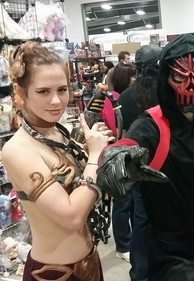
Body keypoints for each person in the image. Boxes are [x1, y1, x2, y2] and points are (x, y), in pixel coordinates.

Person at [97, 34, 194, 281]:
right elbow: (131, 141)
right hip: (167, 249)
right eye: (180, 77)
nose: (191, 86)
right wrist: (115, 157)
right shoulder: (153, 124)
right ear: (166, 77)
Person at [1, 42, 114, 280]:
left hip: (90, 262)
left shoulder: (58, 133)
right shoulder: (17, 149)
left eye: (62, 90)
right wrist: (94, 156)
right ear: (20, 93)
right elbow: (71, 216)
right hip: (52, 274)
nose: (56, 101)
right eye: (43, 91)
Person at [118, 44, 162, 281]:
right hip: (168, 163)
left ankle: (140, 273)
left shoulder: (125, 96)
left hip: (137, 165)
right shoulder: (167, 92)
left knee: (141, 221)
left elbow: (124, 133)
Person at [104, 59, 136, 262]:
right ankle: (123, 245)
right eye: (132, 75)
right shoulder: (113, 100)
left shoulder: (125, 97)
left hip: (129, 153)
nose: (136, 79)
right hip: (118, 154)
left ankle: (130, 241)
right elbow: (116, 130)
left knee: (131, 200)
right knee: (123, 202)